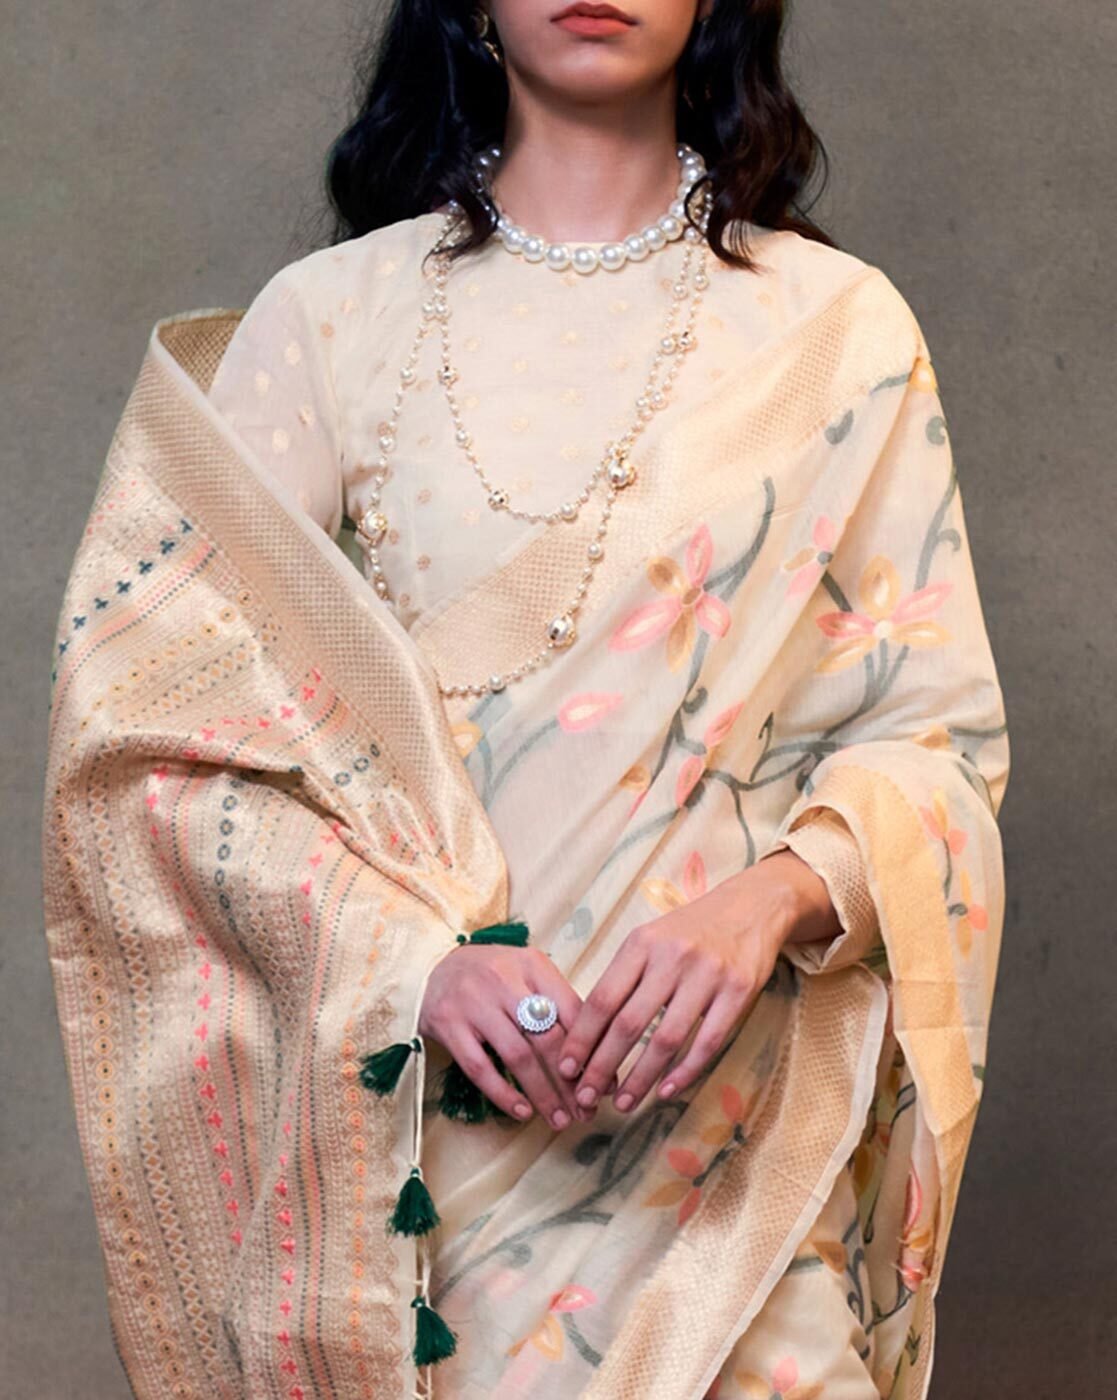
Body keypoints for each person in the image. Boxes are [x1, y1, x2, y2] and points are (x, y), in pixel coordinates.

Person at [42, 4, 1009, 1398]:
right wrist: (412, 967)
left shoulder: (834, 330)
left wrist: (769, 903)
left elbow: (936, 739)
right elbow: (173, 756)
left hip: (726, 1173)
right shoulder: (334, 322)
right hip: (428, 1202)